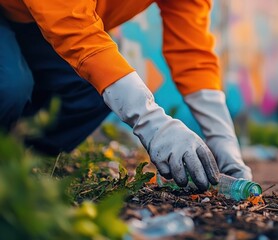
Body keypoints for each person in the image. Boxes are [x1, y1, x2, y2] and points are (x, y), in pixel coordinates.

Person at [0, 0, 252, 191]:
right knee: (10, 85)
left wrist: (223, 141)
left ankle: (19, 165)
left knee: (94, 92)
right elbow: (73, 28)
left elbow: (192, 52)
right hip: (33, 15)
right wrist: (152, 124)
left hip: (38, 21)